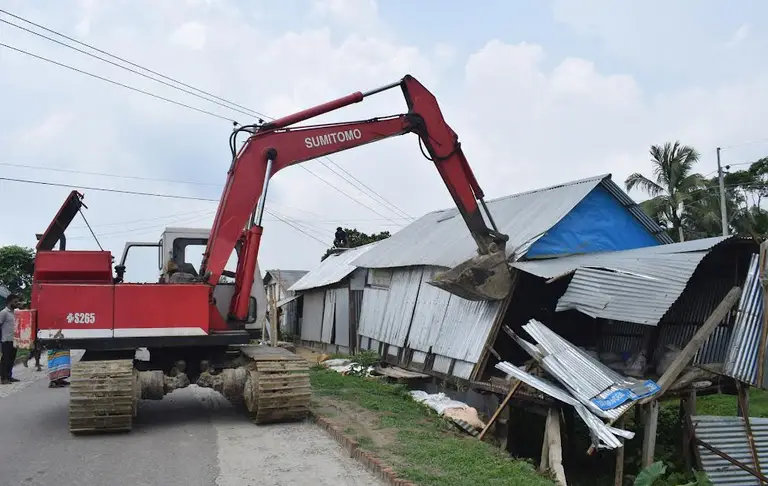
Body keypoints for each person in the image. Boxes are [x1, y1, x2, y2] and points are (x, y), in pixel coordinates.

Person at [0, 294, 20, 384]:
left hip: (14, 340)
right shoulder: (4, 313)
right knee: (5, 360)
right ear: (9, 302)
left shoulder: (15, 312)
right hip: (6, 340)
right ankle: (3, 378)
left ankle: (9, 376)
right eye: (15, 302)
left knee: (12, 359)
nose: (17, 303)